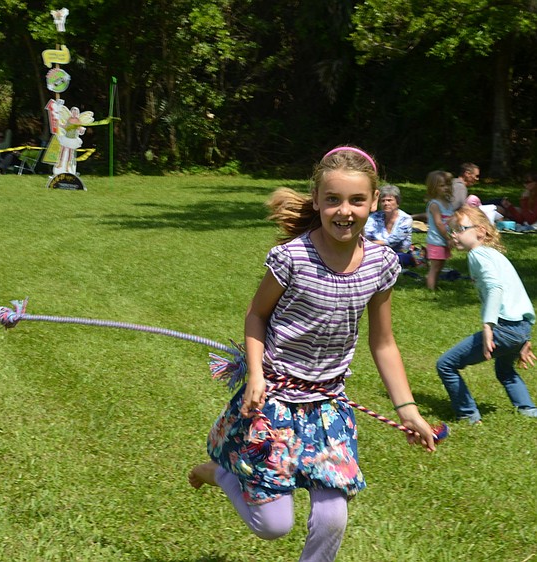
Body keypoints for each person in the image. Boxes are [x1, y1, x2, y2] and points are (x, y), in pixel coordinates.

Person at [188, 146, 437, 562]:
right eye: (334, 199)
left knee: (332, 516)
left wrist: (407, 408)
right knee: (274, 526)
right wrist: (255, 374)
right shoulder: (293, 258)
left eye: (357, 200)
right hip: (275, 402)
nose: (345, 211)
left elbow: (383, 342)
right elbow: (256, 316)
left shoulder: (381, 263)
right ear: (317, 200)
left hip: (327, 406)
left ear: (374, 202)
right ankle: (222, 476)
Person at [437, 206, 537, 424]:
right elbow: (517, 292)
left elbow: (495, 289)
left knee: (446, 364)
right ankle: (528, 410)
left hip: (503, 328)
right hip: (520, 327)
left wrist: (488, 326)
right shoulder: (495, 255)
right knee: (504, 369)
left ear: (481, 231)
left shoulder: (477, 255)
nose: (454, 235)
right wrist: (524, 337)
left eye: (460, 229)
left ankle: (468, 415)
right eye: (452, 230)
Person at [363, 183, 415, 267]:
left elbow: (391, 242)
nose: (386, 203)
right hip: (376, 251)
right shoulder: (374, 217)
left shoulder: (405, 219)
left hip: (399, 253)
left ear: (397, 202)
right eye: (383, 201)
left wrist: (368, 245)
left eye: (389, 200)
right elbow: (366, 235)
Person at [424, 170, 455, 290]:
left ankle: (434, 285)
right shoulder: (435, 204)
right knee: (435, 267)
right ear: (434, 187)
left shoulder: (448, 203)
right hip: (437, 240)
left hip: (445, 239)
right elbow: (438, 223)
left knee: (441, 265)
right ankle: (431, 289)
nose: (446, 188)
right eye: (442, 185)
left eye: (448, 185)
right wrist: (447, 238)